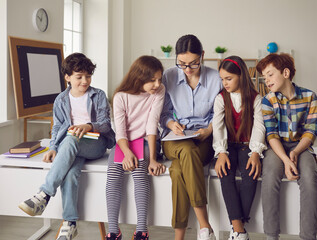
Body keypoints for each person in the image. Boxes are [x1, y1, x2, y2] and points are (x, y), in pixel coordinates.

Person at [18, 53, 116, 240]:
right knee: (70, 173)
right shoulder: (61, 100)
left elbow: (105, 124)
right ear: (67, 77)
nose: (85, 81)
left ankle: (44, 195)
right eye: (79, 77)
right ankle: (70, 223)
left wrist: (88, 126)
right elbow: (56, 126)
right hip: (71, 148)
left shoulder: (98, 95)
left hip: (96, 144)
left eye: (88, 76)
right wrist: (53, 147)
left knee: (71, 139)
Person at [160, 34, 223, 240]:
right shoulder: (168, 76)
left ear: (202, 56)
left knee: (177, 171)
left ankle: (178, 237)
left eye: (193, 64)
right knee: (186, 151)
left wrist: (209, 130)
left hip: (203, 138)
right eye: (182, 64)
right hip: (174, 140)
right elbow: (164, 113)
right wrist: (171, 124)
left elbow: (221, 113)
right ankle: (205, 226)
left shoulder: (216, 78)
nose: (187, 69)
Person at [256, 53, 317, 240]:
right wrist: (285, 159)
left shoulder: (310, 97)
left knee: (309, 177)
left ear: (285, 72)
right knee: (270, 176)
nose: (266, 80)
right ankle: (271, 236)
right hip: (277, 147)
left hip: (301, 146)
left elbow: (310, 132)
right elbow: (272, 135)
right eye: (264, 77)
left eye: (270, 74)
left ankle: (308, 236)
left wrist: (296, 152)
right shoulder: (267, 101)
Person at [105, 56, 166, 240]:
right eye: (152, 80)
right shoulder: (120, 96)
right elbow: (120, 131)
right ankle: (113, 231)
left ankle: (142, 230)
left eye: (159, 79)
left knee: (140, 171)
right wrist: (127, 152)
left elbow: (152, 124)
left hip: (146, 140)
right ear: (139, 77)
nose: (157, 84)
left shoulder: (159, 91)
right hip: (124, 141)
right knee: (113, 175)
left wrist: (153, 158)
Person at [213, 56, 267, 240]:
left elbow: (259, 126)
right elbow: (218, 127)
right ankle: (239, 229)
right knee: (225, 173)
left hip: (247, 146)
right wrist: (221, 152)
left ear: (241, 76)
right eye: (222, 79)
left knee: (251, 173)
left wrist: (255, 153)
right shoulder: (221, 98)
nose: (224, 83)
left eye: (229, 78)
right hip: (227, 146)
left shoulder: (255, 98)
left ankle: (237, 229)